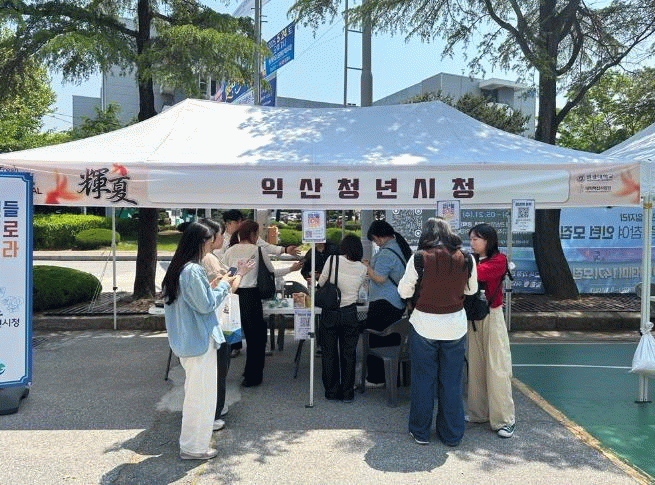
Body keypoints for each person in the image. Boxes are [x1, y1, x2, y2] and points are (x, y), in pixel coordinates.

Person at [161, 222, 252, 460]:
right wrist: (223, 285)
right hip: (200, 342)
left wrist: (211, 287)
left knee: (196, 397)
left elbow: (195, 302)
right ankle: (193, 448)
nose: (213, 245)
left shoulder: (179, 268)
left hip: (189, 342)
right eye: (211, 241)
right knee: (200, 399)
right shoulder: (192, 270)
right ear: (202, 242)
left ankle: (193, 445)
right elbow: (206, 305)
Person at [397, 217, 477, 446]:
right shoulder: (467, 258)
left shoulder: (419, 257)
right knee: (451, 382)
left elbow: (404, 292)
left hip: (424, 324)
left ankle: (420, 432)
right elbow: (472, 290)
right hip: (455, 326)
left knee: (423, 381)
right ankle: (452, 434)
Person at [223, 220, 302, 387]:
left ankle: (222, 375)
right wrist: (291, 269)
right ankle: (252, 376)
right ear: (253, 234)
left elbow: (227, 273)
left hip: (233, 295)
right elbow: (272, 272)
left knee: (230, 337)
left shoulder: (230, 251)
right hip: (251, 296)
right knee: (256, 339)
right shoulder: (257, 250)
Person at [467, 223, 516, 439]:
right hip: (473, 318)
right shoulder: (471, 259)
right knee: (476, 366)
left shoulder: (499, 260)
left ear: (488, 240)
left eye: (476, 239)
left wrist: (462, 266)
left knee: (497, 367)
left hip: (492, 315)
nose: (472, 243)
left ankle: (504, 420)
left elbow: (476, 275)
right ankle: (478, 413)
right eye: (470, 239)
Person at [362, 220, 413, 387]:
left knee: (376, 341)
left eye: (374, 239)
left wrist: (366, 267)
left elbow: (379, 278)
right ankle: (392, 378)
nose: (375, 243)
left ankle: (377, 378)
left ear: (379, 237)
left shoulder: (386, 254)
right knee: (391, 342)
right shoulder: (399, 248)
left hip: (383, 303)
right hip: (395, 303)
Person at [199, 218, 240, 426]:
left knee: (216, 368)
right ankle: (214, 411)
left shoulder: (205, 258)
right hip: (215, 319)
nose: (224, 238)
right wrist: (239, 275)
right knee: (218, 368)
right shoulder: (207, 259)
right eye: (221, 234)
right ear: (211, 237)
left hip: (211, 320)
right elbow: (225, 288)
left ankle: (214, 408)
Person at [317, 234, 367, 402]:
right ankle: (347, 392)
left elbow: (321, 282)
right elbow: (357, 288)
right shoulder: (362, 268)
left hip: (331, 313)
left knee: (329, 353)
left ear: (343, 247)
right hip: (350, 313)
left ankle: (331, 391)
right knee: (349, 354)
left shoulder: (332, 260)